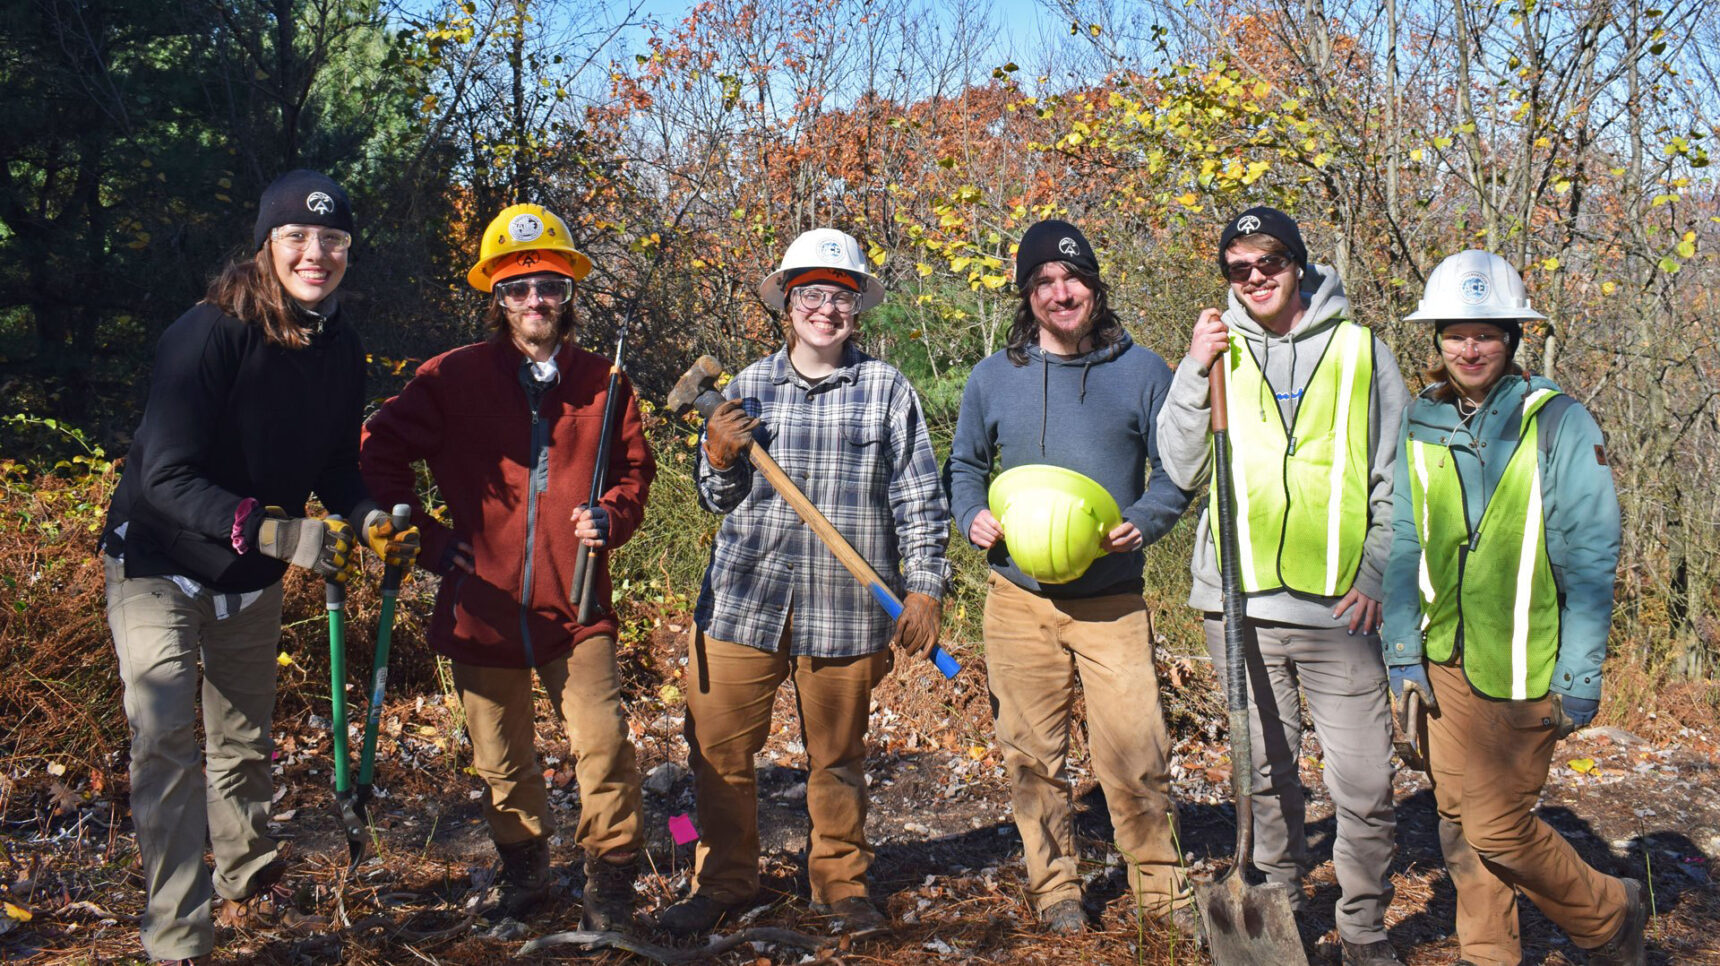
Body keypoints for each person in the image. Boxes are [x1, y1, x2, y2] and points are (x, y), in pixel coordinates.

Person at [102, 170, 419, 965]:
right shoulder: (208, 334)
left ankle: (245, 869)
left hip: (248, 578)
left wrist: (365, 518)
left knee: (243, 739)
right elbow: (163, 477)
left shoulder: (340, 344)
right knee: (166, 735)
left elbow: (337, 467)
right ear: (265, 245)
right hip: (158, 563)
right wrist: (277, 534)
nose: (318, 253)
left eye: (334, 240)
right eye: (298, 238)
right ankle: (178, 928)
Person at [359, 203, 654, 929]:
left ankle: (611, 889)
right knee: (500, 761)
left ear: (569, 294)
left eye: (548, 285)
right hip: (482, 605)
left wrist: (611, 516)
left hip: (579, 603)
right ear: (496, 296)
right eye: (518, 288)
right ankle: (527, 882)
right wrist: (424, 540)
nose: (534, 301)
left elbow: (634, 475)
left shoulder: (604, 382)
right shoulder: (450, 377)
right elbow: (376, 450)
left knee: (604, 746)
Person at [657, 228, 950, 938]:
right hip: (742, 602)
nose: (825, 308)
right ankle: (723, 880)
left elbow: (918, 498)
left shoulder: (886, 389)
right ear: (787, 305)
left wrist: (927, 587)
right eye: (810, 294)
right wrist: (719, 458)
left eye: (840, 296)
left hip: (848, 610)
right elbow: (715, 500)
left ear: (858, 308)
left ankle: (841, 886)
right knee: (719, 751)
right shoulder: (747, 388)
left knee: (838, 759)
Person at [1154, 206, 1408, 964]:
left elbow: (1398, 480)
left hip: (1341, 609)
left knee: (1363, 785)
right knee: (1265, 778)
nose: (1255, 278)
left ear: (1298, 265)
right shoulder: (1215, 350)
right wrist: (1196, 370)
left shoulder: (1364, 352)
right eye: (1239, 268)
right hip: (1239, 601)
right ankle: (1280, 909)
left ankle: (1363, 928)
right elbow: (1180, 464)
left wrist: (1375, 573)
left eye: (1269, 263)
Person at [1382, 250, 1644, 966]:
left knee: (1496, 826)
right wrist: (1401, 648)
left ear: (1513, 338)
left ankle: (1610, 911)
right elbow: (1406, 539)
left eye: (1486, 332)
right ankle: (1488, 954)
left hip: (1527, 659)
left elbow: (1592, 561)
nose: (1469, 348)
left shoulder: (1559, 423)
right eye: (1454, 333)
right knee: (1456, 821)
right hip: (1444, 658)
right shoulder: (1423, 419)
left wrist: (1581, 676)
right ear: (1435, 340)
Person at [944, 219, 1195, 937]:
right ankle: (1055, 886)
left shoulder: (1144, 371)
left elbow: (1179, 469)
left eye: (1073, 278)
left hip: (1110, 600)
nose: (1061, 292)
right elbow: (963, 466)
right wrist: (970, 517)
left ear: (1094, 286)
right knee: (1030, 758)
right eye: (1045, 283)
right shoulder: (995, 376)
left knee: (1137, 754)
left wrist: (1145, 519)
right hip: (1017, 599)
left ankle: (1164, 896)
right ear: (1028, 297)